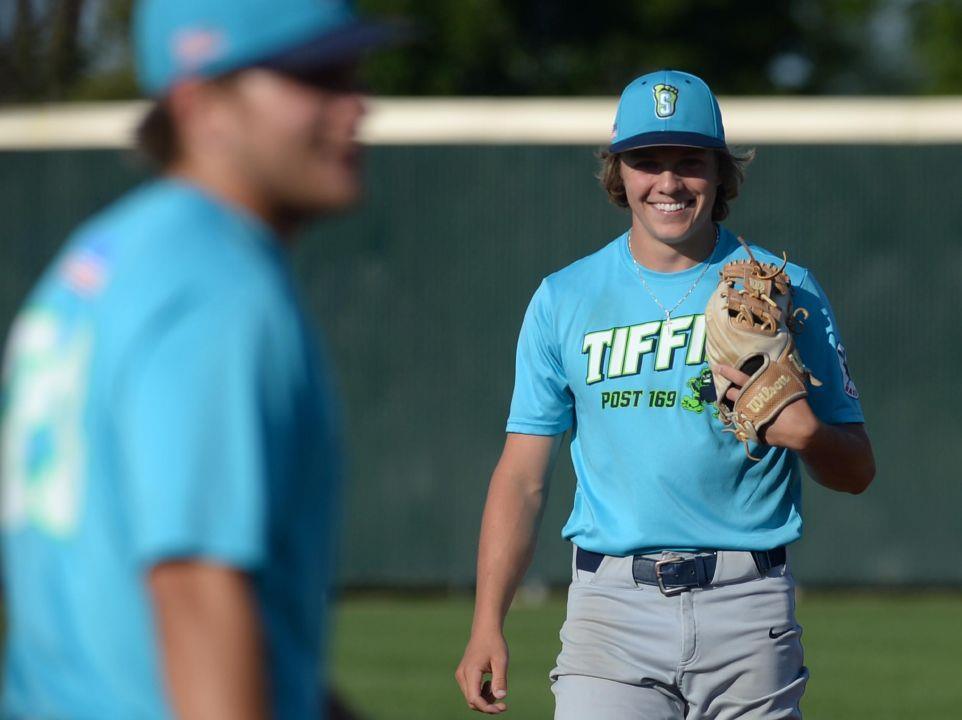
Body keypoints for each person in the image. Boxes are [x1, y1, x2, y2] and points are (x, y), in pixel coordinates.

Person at [0, 1, 404, 717]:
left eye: (349, 72)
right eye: (315, 77)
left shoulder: (104, 260)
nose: (355, 105)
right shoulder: (213, 285)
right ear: (201, 106)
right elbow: (193, 585)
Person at [455, 69, 875, 719]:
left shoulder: (785, 288)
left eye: (690, 162)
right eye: (647, 161)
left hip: (748, 608)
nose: (669, 182)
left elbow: (857, 470)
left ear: (721, 173)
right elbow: (522, 477)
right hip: (610, 612)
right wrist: (487, 620)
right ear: (618, 172)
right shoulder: (564, 298)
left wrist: (809, 435)